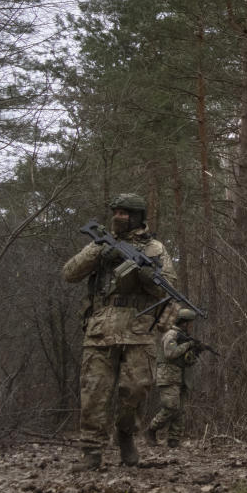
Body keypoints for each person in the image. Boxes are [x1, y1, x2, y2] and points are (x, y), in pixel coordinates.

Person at [62, 193, 178, 471]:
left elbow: (169, 288)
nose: (119, 217)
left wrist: (148, 278)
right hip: (100, 328)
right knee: (94, 392)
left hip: (138, 329)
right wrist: (99, 252)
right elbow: (69, 273)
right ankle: (91, 451)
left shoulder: (155, 249)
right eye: (117, 212)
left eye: (126, 213)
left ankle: (126, 436)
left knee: (136, 389)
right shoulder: (100, 243)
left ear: (138, 217)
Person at [146, 308, 199, 448]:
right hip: (168, 377)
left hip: (181, 377)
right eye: (190, 323)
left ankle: (174, 439)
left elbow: (187, 360)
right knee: (171, 407)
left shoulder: (184, 336)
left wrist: (195, 352)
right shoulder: (171, 335)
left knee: (180, 409)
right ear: (184, 323)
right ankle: (151, 429)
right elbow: (171, 354)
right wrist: (189, 344)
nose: (192, 326)